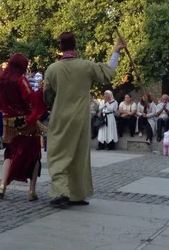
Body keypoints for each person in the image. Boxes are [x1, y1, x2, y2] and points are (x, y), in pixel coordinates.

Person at [43, 31, 124, 206]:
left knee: (58, 154)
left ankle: (61, 192)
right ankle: (77, 194)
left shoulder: (52, 68)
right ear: (76, 46)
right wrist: (116, 50)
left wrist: (54, 102)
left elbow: (47, 94)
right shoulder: (86, 66)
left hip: (60, 116)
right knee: (79, 154)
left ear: (60, 48)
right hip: (81, 116)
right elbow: (108, 73)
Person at [0, 53, 47, 201]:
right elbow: (31, 98)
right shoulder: (20, 80)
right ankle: (31, 190)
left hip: (7, 122)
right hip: (25, 122)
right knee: (34, 154)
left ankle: (2, 185)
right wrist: (41, 91)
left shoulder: (0, 81)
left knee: (9, 152)